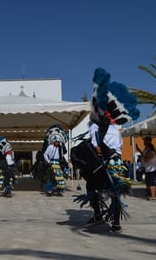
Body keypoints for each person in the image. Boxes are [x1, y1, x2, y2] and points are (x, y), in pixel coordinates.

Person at [74, 68, 140, 234]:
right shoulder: (117, 128)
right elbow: (118, 145)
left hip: (104, 163)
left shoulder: (96, 126)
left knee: (90, 186)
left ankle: (97, 214)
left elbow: (97, 147)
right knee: (115, 193)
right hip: (118, 162)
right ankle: (116, 223)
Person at [42, 131, 69, 196]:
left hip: (58, 163)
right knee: (53, 178)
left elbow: (62, 155)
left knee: (60, 178)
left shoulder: (60, 147)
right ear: (53, 141)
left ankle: (59, 191)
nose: (57, 143)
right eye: (56, 141)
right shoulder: (50, 147)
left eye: (58, 142)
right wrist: (48, 161)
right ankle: (49, 191)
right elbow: (45, 154)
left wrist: (62, 147)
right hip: (52, 163)